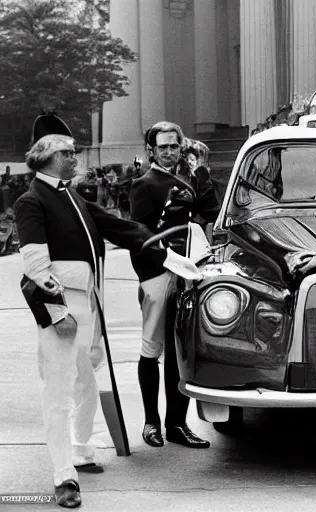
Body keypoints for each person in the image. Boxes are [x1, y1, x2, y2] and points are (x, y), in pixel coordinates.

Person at [13, 128, 161, 508]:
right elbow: (33, 263)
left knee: (86, 381)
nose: (76, 156)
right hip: (63, 305)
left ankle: (80, 449)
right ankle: (64, 475)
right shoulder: (32, 201)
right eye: (68, 152)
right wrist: (57, 311)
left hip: (90, 303)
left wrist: (163, 250)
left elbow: (119, 227)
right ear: (47, 157)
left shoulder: (72, 196)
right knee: (59, 393)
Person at [129, 121, 220, 449]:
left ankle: (177, 424)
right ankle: (151, 421)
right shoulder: (145, 183)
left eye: (174, 145)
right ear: (152, 149)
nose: (169, 151)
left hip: (189, 273)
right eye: (163, 146)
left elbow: (210, 211)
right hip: (160, 273)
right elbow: (137, 234)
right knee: (151, 348)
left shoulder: (190, 179)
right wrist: (152, 275)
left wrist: (202, 173)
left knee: (180, 349)